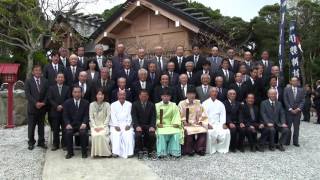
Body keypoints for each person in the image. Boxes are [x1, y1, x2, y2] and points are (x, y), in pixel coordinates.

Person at [25, 65, 49, 150]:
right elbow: (28, 94)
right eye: (36, 70)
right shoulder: (28, 81)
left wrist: (43, 103)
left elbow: (47, 93)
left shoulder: (45, 81)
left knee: (41, 126)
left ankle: (41, 142)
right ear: (33, 72)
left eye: (39, 70)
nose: (38, 72)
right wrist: (35, 103)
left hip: (42, 108)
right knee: (31, 126)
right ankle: (31, 142)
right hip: (32, 108)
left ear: (41, 72)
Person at [178, 87, 208, 156]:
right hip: (186, 124)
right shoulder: (181, 103)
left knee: (203, 130)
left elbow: (203, 114)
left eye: (193, 94)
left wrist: (200, 121)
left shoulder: (198, 103)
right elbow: (179, 114)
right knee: (188, 131)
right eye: (190, 93)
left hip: (196, 123)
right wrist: (183, 121)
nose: (192, 95)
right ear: (186, 94)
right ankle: (189, 149)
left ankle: (199, 149)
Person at [155, 88, 183, 158]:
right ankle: (162, 153)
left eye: (167, 96)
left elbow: (177, 116)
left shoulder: (174, 106)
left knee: (176, 133)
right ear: (161, 96)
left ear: (170, 97)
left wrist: (176, 123)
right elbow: (154, 117)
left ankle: (174, 152)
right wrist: (158, 123)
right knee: (160, 133)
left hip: (171, 125)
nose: (166, 98)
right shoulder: (157, 106)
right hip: (161, 125)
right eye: (164, 96)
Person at [63, 86, 89, 159]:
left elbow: (87, 115)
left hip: (82, 124)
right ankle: (70, 152)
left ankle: (84, 152)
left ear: (81, 93)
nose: (77, 94)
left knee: (83, 132)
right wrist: (67, 123)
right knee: (68, 132)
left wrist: (84, 123)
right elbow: (65, 115)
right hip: (71, 125)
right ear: (72, 93)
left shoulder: (86, 103)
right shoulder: (67, 102)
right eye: (75, 92)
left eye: (79, 92)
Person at [202, 87, 230, 154]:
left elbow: (223, 115)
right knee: (210, 132)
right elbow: (203, 116)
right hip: (209, 124)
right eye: (212, 91)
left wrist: (223, 124)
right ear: (209, 93)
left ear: (217, 93)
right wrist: (207, 124)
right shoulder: (204, 103)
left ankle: (221, 148)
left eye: (216, 92)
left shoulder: (220, 104)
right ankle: (211, 149)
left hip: (218, 124)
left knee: (226, 132)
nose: (214, 93)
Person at [131, 90, 156, 159]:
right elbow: (134, 116)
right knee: (138, 135)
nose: (143, 97)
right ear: (139, 96)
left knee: (152, 134)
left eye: (145, 96)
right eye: (142, 96)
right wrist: (137, 126)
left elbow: (153, 117)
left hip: (148, 125)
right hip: (139, 125)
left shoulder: (151, 105)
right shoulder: (135, 104)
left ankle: (150, 151)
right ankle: (140, 151)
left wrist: (152, 126)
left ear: (148, 97)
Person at [48, 72, 70, 151]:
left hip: (64, 111)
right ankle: (55, 144)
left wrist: (62, 106)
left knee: (64, 129)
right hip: (54, 111)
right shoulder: (51, 88)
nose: (60, 79)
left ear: (64, 79)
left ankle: (64, 144)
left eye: (62, 77)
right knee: (55, 129)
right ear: (56, 79)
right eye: (59, 77)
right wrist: (56, 106)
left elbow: (68, 98)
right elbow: (50, 99)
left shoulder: (67, 88)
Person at [110, 90, 135, 158]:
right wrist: (116, 125)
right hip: (115, 125)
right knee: (115, 134)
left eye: (123, 95)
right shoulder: (113, 104)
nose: (122, 96)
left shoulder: (129, 104)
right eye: (120, 95)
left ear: (125, 96)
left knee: (129, 133)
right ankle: (115, 152)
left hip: (126, 124)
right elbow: (113, 116)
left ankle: (129, 152)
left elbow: (130, 115)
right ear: (117, 96)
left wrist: (128, 124)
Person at [89, 89, 112, 157]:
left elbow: (108, 117)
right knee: (95, 135)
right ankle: (96, 153)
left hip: (104, 126)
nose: (100, 96)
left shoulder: (107, 104)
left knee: (102, 135)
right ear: (96, 95)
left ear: (104, 96)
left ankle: (106, 153)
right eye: (98, 94)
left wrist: (103, 126)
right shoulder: (92, 104)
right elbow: (91, 117)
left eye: (102, 94)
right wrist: (95, 127)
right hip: (94, 126)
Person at [283, 77, 305, 146]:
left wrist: (298, 109)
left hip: (297, 112)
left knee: (296, 127)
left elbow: (303, 100)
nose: (294, 82)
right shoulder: (286, 89)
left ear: (298, 82)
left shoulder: (301, 90)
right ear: (290, 82)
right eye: (293, 81)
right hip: (289, 112)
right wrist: (290, 109)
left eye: (296, 81)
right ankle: (287, 141)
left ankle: (296, 142)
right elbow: (285, 99)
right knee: (288, 127)